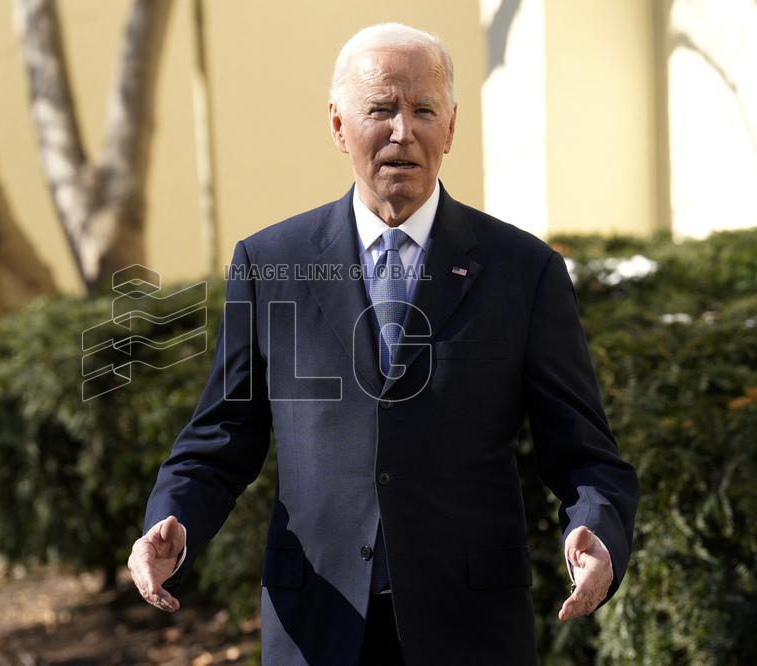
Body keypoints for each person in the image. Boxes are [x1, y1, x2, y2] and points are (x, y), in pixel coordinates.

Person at [128, 23, 639, 665]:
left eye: (423, 110)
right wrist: (170, 519)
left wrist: (596, 529)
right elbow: (222, 434)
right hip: (317, 622)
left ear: (451, 127)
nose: (403, 131)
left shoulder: (522, 271)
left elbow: (586, 452)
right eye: (380, 110)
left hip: (469, 626)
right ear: (339, 125)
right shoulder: (271, 263)